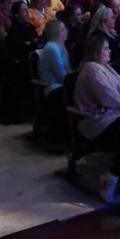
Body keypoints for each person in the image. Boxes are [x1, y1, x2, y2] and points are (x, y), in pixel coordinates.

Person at [73, 35, 120, 203]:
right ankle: (111, 177)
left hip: (114, 114)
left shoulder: (106, 67)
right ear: (96, 52)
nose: (109, 50)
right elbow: (110, 98)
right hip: (96, 121)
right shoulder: (92, 70)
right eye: (105, 48)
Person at [35, 19, 70, 147]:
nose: (66, 31)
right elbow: (61, 74)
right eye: (62, 29)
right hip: (53, 88)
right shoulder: (52, 48)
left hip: (60, 85)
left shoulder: (60, 46)